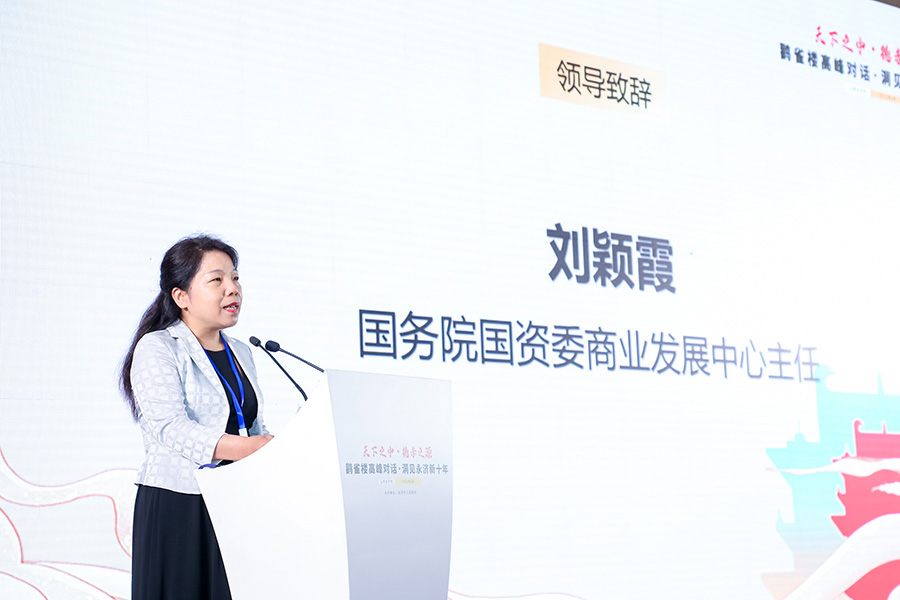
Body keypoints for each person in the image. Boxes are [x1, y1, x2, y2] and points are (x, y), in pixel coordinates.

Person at [119, 234, 273, 600]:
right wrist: (250, 448)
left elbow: (252, 425)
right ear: (181, 296)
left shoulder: (242, 352)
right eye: (216, 280)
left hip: (235, 501)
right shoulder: (159, 347)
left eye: (235, 278)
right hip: (180, 503)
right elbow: (170, 427)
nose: (232, 289)